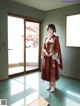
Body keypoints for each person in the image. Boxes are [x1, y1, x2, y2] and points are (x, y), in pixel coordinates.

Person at [41, 24, 63, 92]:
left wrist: (50, 54)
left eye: (51, 29)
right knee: (47, 70)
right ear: (47, 30)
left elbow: (57, 48)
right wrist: (46, 53)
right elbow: (43, 47)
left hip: (52, 58)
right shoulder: (46, 38)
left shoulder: (56, 38)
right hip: (47, 58)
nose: (50, 30)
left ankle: (53, 86)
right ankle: (49, 85)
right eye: (49, 29)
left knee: (52, 71)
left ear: (54, 29)